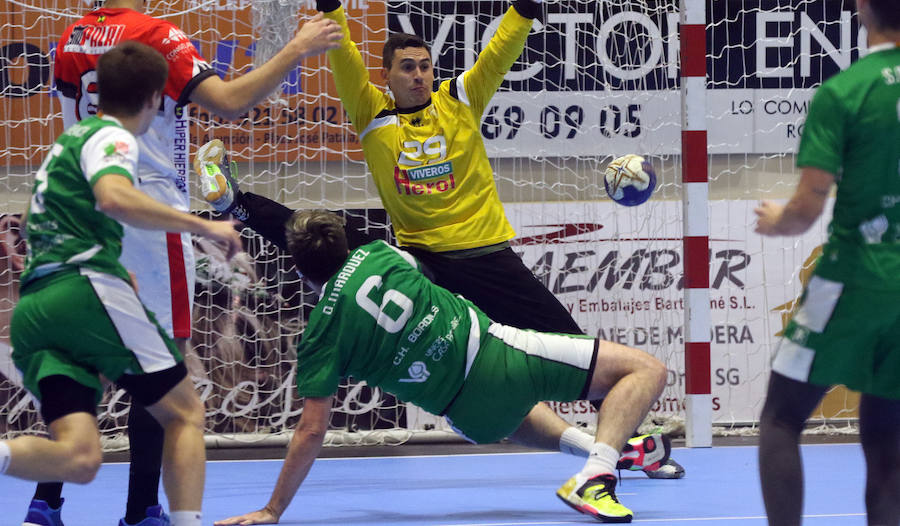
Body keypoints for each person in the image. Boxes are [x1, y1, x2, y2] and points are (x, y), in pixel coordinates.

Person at [196, 0, 684, 478]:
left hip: (486, 256)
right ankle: (234, 201)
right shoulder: (372, 113)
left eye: (426, 66)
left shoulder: (460, 99)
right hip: (420, 262)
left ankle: (634, 445)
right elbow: (342, 47)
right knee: (320, 233)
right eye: (408, 67)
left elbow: (503, 44)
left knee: (571, 344)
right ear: (388, 76)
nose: (421, 75)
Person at [29, 0, 342, 526]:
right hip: (145, 214)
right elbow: (229, 101)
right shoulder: (159, 38)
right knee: (162, 365)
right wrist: (294, 50)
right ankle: (144, 508)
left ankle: (46, 501)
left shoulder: (70, 38)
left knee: (77, 355)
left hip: (78, 212)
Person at [215, 210, 667, 525]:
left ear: (299, 271)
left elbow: (311, 430)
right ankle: (599, 473)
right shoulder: (379, 254)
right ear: (342, 241)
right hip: (498, 357)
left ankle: (599, 449)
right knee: (644, 371)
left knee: (516, 410)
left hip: (471, 416)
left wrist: (272, 509)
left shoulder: (319, 335)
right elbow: (431, 274)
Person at [1, 41, 243, 526]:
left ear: (97, 94)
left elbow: (30, 222)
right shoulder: (117, 138)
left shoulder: (64, 145)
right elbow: (113, 197)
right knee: (186, 413)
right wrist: (206, 226)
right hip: (83, 292)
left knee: (81, 458)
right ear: (157, 99)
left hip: (37, 310)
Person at [753, 0, 900, 526]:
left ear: (861, 1)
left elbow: (808, 208)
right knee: (888, 438)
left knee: (782, 417)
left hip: (850, 280)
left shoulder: (845, 92)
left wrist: (775, 221)